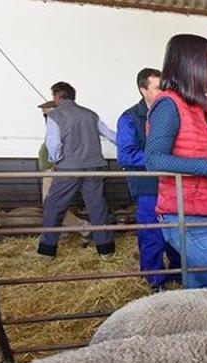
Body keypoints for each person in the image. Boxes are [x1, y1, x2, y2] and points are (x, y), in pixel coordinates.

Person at [145, 34, 207, 290]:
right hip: (188, 218)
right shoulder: (169, 104)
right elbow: (153, 159)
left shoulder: (200, 109)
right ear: (191, 66)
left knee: (201, 294)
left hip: (206, 212)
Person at [116, 67, 180, 291]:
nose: (163, 91)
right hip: (148, 186)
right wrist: (160, 159)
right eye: (157, 87)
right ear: (143, 90)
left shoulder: (169, 114)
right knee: (152, 234)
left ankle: (177, 273)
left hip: (172, 184)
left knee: (175, 231)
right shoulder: (129, 118)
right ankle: (155, 281)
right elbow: (125, 154)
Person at [37, 81, 117, 258]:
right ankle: (106, 249)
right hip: (94, 167)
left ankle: (47, 250)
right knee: (97, 206)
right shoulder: (90, 114)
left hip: (69, 168)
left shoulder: (55, 116)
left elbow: (53, 143)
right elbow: (111, 135)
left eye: (53, 96)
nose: (53, 99)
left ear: (58, 95)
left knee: (53, 205)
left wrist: (55, 160)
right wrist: (129, 147)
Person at [37, 100, 92, 246]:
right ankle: (63, 234)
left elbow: (61, 147)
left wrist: (57, 164)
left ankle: (84, 227)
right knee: (55, 204)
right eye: (44, 115)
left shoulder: (62, 125)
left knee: (52, 204)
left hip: (56, 170)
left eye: (47, 113)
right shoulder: (54, 125)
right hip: (51, 170)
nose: (46, 116)